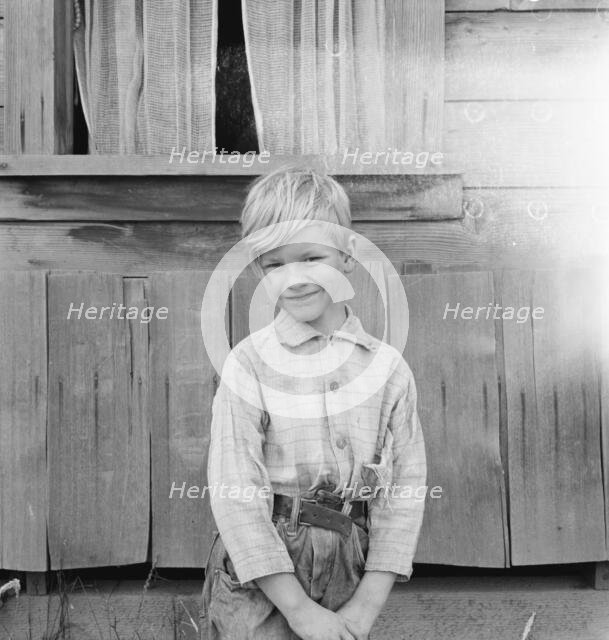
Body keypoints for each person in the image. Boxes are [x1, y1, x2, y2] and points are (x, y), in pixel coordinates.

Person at [200, 166, 427, 640]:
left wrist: (364, 607)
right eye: (274, 264)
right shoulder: (250, 365)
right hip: (261, 575)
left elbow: (403, 494)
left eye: (311, 257)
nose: (294, 279)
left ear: (347, 255)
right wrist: (299, 612)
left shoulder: (387, 371)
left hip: (350, 562)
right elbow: (236, 491)